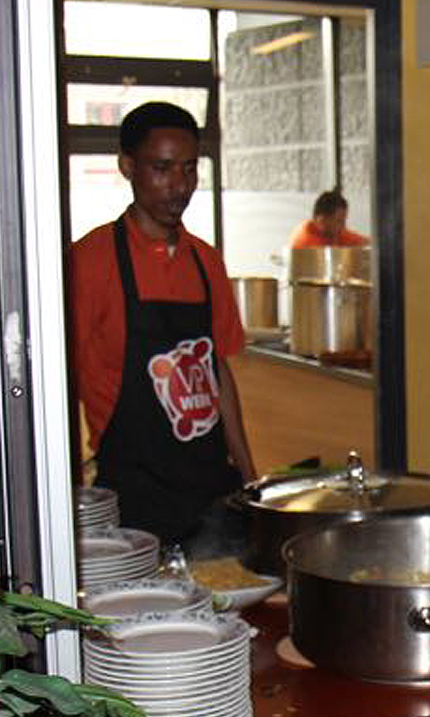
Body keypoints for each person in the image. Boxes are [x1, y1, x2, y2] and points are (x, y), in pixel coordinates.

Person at [69, 101, 256, 552]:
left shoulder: (205, 260)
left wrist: (252, 479)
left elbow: (218, 373)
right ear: (127, 166)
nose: (179, 186)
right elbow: (61, 381)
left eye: (190, 170)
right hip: (133, 499)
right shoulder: (89, 262)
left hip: (211, 492)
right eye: (162, 168)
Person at [290, 190, 369, 249]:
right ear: (321, 220)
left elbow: (365, 242)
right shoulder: (306, 241)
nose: (343, 226)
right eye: (339, 221)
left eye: (344, 220)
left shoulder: (332, 232)